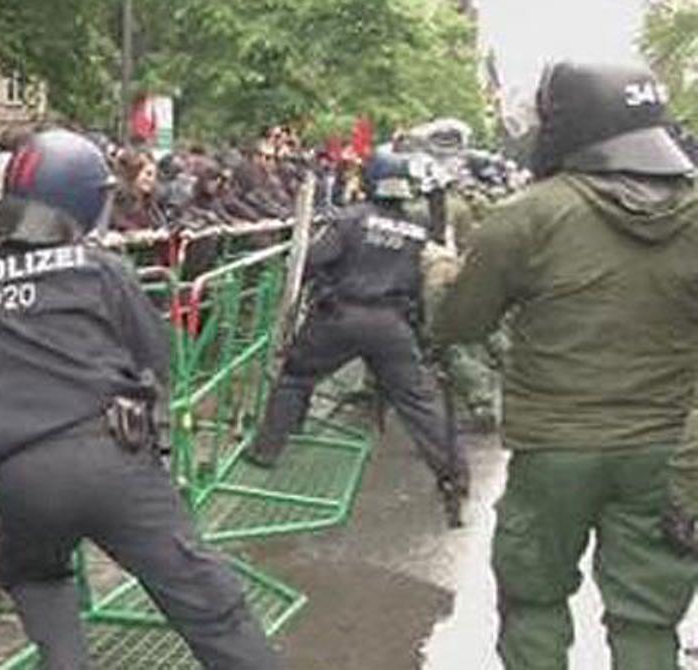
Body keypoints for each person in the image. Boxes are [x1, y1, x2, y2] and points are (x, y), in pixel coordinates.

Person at [0, 129, 281, 669]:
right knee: (209, 605)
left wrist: (11, 408)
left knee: (34, 574)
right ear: (89, 199)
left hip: (20, 473)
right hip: (113, 457)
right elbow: (154, 358)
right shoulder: (98, 269)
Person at [429, 62, 698, 670]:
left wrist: (440, 275)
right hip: (668, 450)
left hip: (555, 450)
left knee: (533, 603)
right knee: (649, 618)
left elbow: (460, 324)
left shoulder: (531, 213)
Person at [244, 149, 468, 527]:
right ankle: (454, 471)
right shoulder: (416, 229)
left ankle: (268, 450)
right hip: (392, 324)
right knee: (416, 400)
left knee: (296, 378)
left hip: (341, 316)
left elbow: (312, 261)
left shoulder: (349, 220)